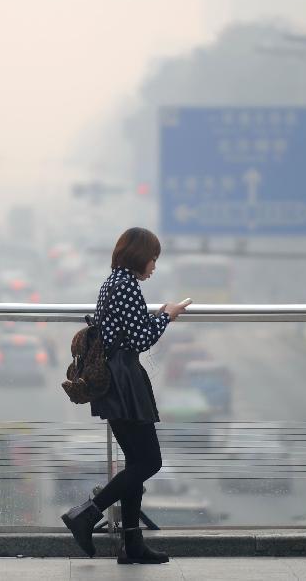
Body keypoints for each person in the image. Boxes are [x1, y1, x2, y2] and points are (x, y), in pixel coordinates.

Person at [61, 227, 189, 565]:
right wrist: (166, 316)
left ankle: (133, 546)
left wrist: (155, 315)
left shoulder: (112, 283)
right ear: (139, 257)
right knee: (149, 461)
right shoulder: (127, 287)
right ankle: (86, 514)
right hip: (124, 382)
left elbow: (125, 328)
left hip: (114, 380)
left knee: (135, 463)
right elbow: (140, 339)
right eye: (153, 258)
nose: (154, 266)